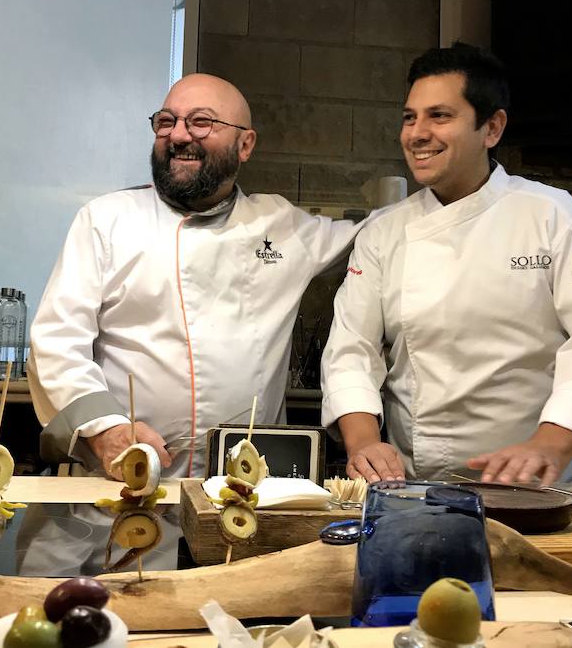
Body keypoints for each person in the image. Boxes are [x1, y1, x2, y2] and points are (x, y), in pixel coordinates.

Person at [320, 43, 572, 485]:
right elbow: (351, 348)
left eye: (440, 116)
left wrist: (549, 445)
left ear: (492, 128)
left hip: (536, 490)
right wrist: (364, 444)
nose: (417, 132)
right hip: (412, 489)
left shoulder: (555, 217)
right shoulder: (384, 232)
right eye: (410, 117)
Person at [28, 73, 372, 479]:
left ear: (245, 145)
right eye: (166, 121)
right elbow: (56, 342)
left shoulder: (280, 224)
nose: (178, 135)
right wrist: (107, 430)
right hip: (125, 477)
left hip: (249, 483)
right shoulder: (106, 220)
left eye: (201, 122)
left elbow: (380, 231)